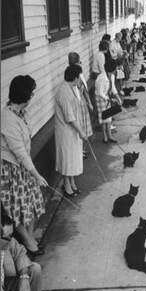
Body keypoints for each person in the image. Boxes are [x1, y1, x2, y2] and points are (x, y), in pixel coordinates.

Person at [1, 75, 47, 256]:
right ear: (24, 94)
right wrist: (36, 174)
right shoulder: (7, 119)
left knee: (34, 203)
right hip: (12, 170)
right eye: (32, 92)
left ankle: (30, 237)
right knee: (18, 209)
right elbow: (19, 152)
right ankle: (29, 242)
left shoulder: (20, 113)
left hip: (24, 167)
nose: (33, 95)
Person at [0, 209, 49, 291]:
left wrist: (24, 277)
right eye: (7, 237)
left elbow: (20, 252)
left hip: (5, 285)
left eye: (12, 236)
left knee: (35, 269)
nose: (11, 240)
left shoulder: (7, 242)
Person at [55, 65, 87, 197]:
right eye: (80, 77)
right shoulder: (63, 92)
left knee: (73, 158)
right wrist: (81, 132)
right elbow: (69, 117)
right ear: (75, 77)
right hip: (66, 131)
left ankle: (72, 182)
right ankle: (67, 186)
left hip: (73, 130)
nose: (81, 79)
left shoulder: (72, 88)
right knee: (67, 159)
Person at [68, 52, 93, 158]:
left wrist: (89, 103)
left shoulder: (80, 73)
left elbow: (85, 90)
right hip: (76, 104)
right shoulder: (70, 74)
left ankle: (82, 149)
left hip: (82, 102)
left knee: (84, 126)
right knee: (79, 127)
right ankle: (79, 151)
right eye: (78, 62)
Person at [95, 58, 122, 144]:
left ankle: (109, 135)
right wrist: (108, 98)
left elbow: (113, 88)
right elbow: (99, 92)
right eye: (115, 69)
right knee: (104, 118)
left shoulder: (112, 76)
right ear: (111, 70)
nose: (116, 70)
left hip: (106, 97)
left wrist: (118, 98)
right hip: (100, 98)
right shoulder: (101, 78)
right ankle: (105, 136)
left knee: (109, 118)